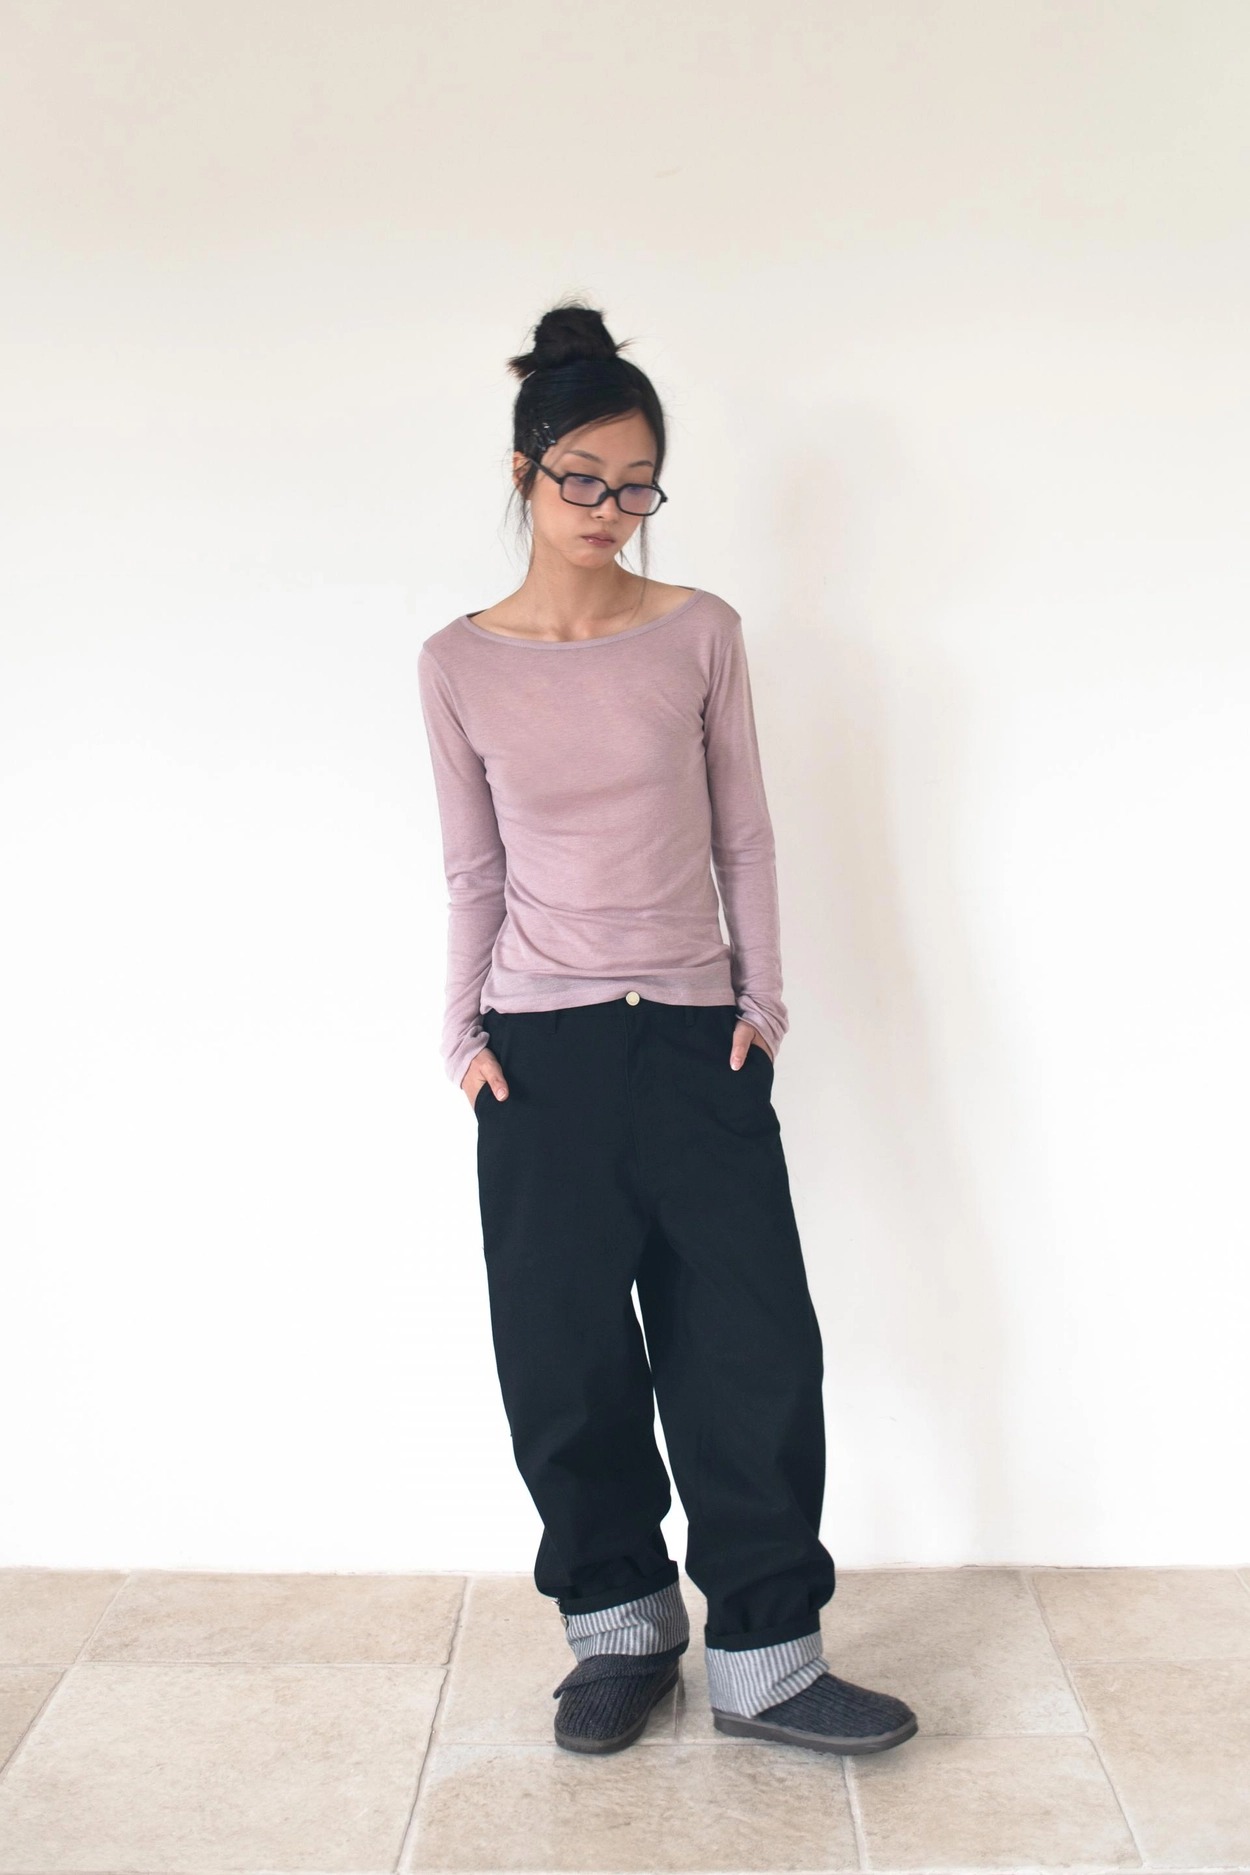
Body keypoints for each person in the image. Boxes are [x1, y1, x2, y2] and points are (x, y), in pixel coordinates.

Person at [417, 298, 917, 1758]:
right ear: (524, 472)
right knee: (564, 1362)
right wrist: (459, 1037)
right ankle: (619, 1635)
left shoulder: (700, 633)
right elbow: (472, 871)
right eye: (583, 479)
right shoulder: (456, 663)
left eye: (638, 487)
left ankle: (767, 1660)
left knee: (748, 1352)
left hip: (697, 1040)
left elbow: (743, 834)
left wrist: (761, 1006)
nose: (610, 511)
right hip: (539, 1049)